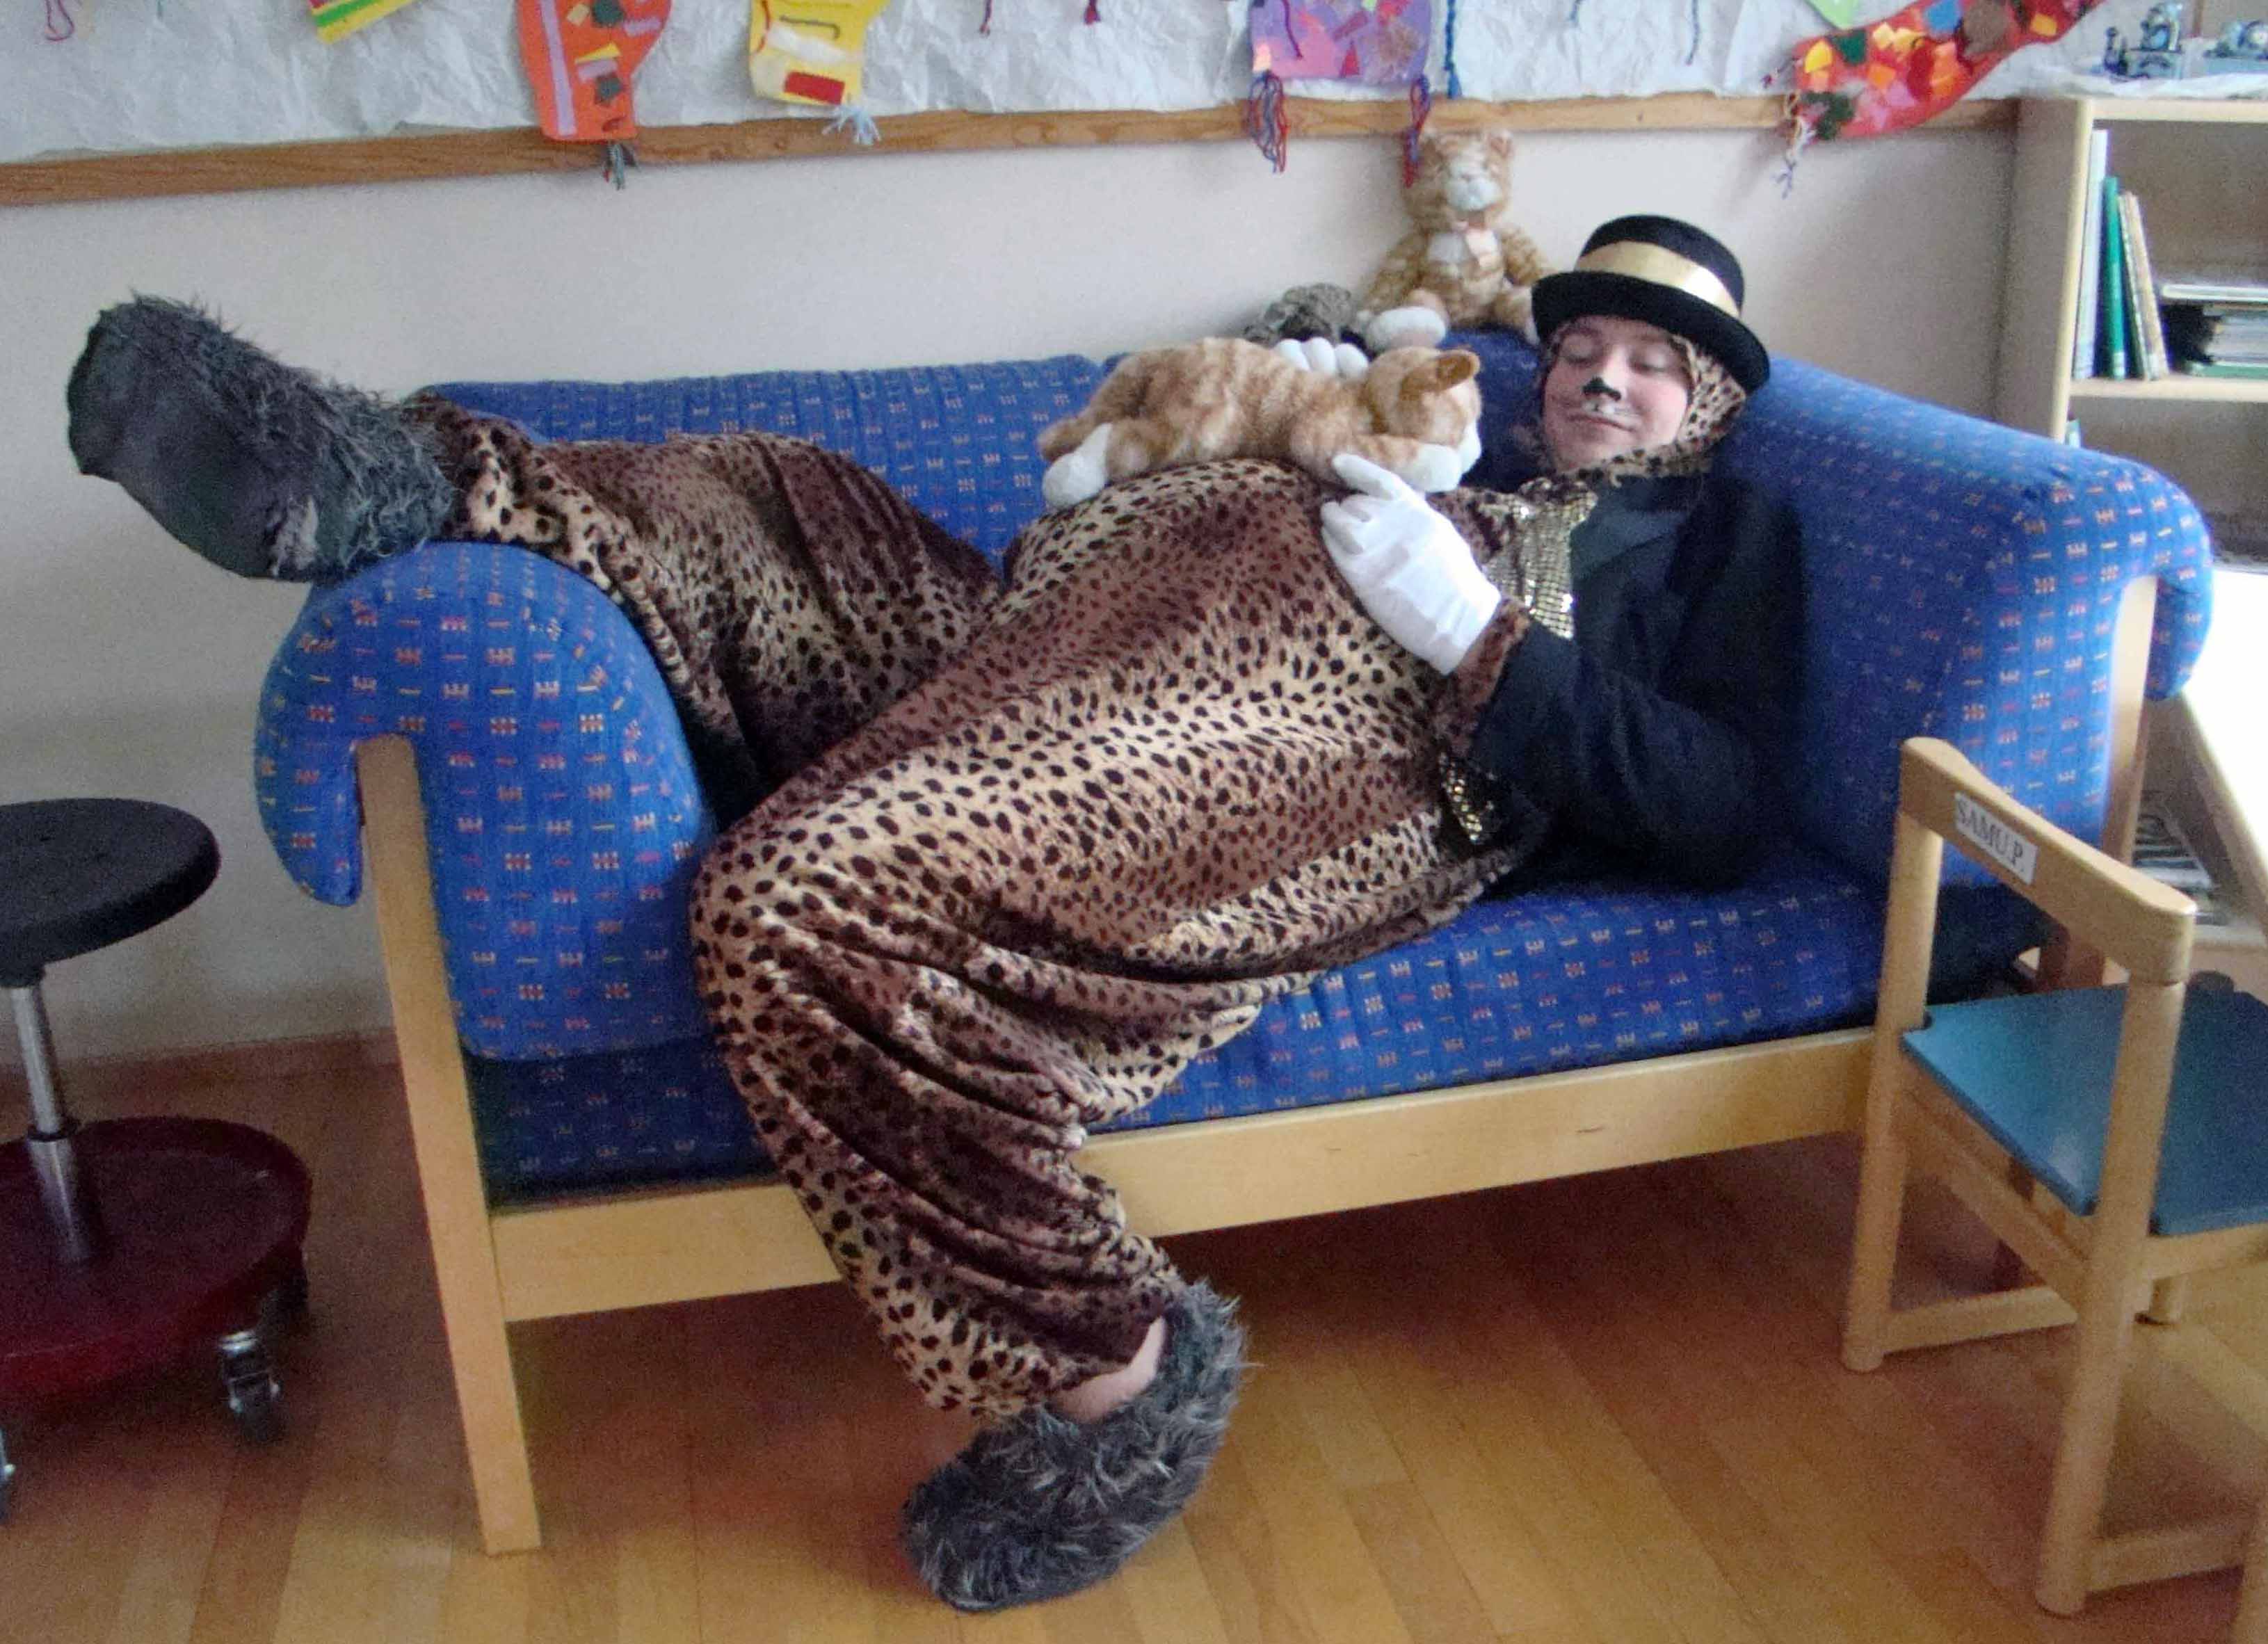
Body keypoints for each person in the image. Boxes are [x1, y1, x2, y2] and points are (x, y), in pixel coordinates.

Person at [63, 213, 1796, 1613]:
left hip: (1322, 743)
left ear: (1710, 403)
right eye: (1584, 345)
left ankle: (1117, 1364)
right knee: (780, 497)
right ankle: (367, 479)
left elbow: (1720, 809)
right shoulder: (1430, 422)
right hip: (1059, 633)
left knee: (795, 899)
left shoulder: (1721, 544)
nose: (1604, 376)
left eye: (1653, 362)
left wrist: (1476, 637)